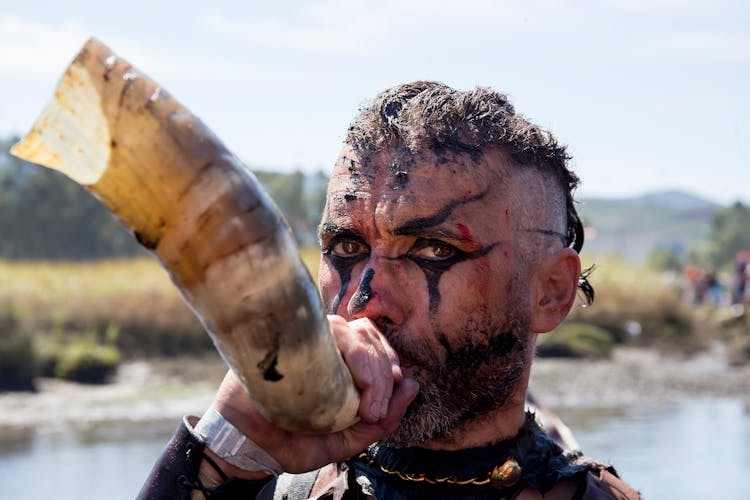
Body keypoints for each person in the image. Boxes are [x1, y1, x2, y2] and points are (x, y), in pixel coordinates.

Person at [138, 82, 639, 499]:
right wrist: (226, 447)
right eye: (347, 247)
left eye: (434, 251)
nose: (363, 303)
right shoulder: (256, 483)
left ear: (550, 292)